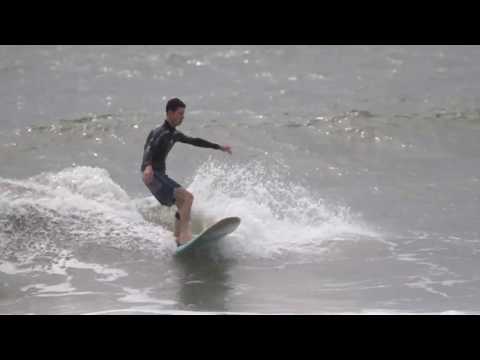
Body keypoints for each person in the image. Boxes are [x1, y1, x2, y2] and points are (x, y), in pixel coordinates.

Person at [141, 98, 232, 246]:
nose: (182, 117)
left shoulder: (174, 134)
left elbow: (195, 141)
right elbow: (149, 148)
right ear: (170, 113)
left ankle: (177, 239)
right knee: (188, 197)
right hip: (152, 175)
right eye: (180, 113)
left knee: (183, 203)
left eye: (183, 114)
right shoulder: (158, 132)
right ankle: (185, 237)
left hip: (159, 175)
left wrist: (218, 147)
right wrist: (147, 166)